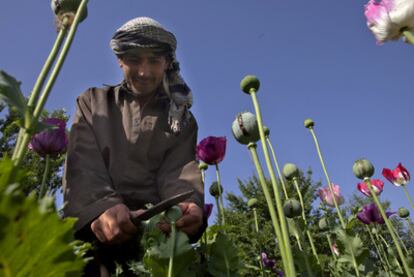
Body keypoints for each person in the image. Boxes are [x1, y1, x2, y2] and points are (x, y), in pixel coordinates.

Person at [62, 17, 205, 276]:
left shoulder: (181, 120)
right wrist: (103, 207)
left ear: (167, 63)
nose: (144, 72)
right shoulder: (93, 102)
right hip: (92, 234)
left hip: (152, 241)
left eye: (154, 61)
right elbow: (83, 163)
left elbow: (179, 172)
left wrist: (190, 206)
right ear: (120, 59)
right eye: (135, 60)